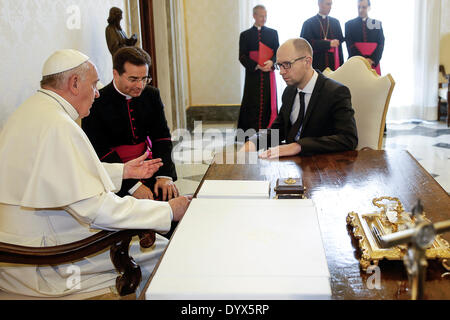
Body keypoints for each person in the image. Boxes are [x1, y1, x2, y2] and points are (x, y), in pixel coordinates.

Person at [0, 49, 191, 298]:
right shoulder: (59, 125)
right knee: (164, 250)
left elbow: (64, 174)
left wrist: (123, 170)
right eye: (93, 85)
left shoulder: (36, 110)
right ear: (75, 83)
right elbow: (98, 210)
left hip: (35, 234)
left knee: (155, 245)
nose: (98, 92)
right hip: (44, 259)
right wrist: (168, 210)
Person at [82, 47, 178, 203]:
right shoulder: (97, 102)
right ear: (115, 74)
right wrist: (132, 186)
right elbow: (100, 151)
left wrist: (164, 175)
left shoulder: (151, 95)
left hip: (150, 167)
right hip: (116, 175)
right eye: (133, 79)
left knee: (172, 204)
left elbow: (161, 137)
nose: (140, 86)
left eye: (144, 79)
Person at [241, 38, 358, 158]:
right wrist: (254, 142)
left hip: (323, 165)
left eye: (287, 65)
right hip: (292, 165)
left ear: (307, 62)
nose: (281, 72)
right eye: (279, 65)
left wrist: (298, 146)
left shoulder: (335, 92)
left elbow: (348, 139)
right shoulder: (289, 91)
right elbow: (278, 130)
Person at [238, 5, 279, 133]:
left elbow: (278, 53)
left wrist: (271, 62)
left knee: (268, 102)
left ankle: (268, 132)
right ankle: (250, 133)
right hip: (253, 76)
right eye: (261, 16)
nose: (264, 18)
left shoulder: (273, 33)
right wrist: (256, 65)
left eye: (265, 16)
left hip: (268, 75)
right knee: (252, 103)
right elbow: (242, 56)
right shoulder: (245, 35)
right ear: (254, 16)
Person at [300, 0, 344, 72]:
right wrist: (328, 44)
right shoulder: (308, 23)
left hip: (333, 64)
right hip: (316, 64)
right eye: (328, 4)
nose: (330, 7)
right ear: (319, 4)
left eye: (331, 4)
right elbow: (306, 45)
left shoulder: (335, 22)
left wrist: (341, 66)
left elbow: (339, 47)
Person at [345, 0, 385, 75]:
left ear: (369, 8)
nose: (360, 10)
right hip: (356, 62)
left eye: (364, 7)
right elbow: (350, 44)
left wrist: (372, 59)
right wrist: (362, 60)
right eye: (359, 7)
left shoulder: (376, 23)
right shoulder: (349, 24)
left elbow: (381, 43)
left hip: (372, 63)